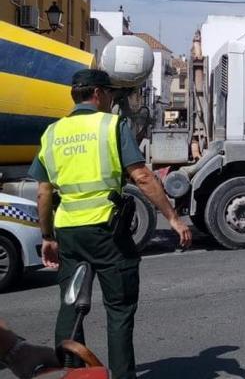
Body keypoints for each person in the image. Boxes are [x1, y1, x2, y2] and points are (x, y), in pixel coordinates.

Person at [28, 70, 192, 379]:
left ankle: (72, 372)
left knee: (71, 303)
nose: (112, 101)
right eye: (111, 95)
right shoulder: (111, 125)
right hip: (107, 231)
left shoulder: (53, 132)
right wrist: (172, 217)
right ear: (99, 94)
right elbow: (142, 176)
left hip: (68, 232)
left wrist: (48, 236)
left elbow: (44, 191)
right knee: (119, 309)